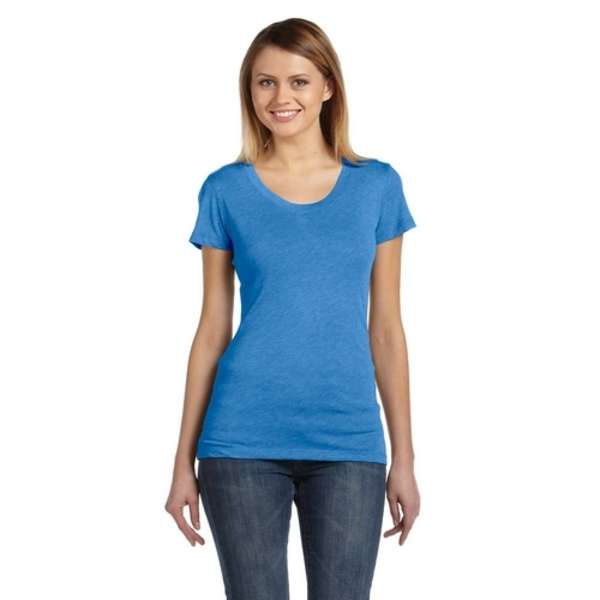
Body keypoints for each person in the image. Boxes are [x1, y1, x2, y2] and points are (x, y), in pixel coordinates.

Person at [165, 17, 421, 600]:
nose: (281, 97)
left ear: (328, 87)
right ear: (249, 91)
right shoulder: (225, 190)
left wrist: (403, 459)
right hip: (240, 440)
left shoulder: (377, 186)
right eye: (266, 82)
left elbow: (386, 330)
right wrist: (182, 462)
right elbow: (212, 330)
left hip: (348, 442)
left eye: (299, 81)